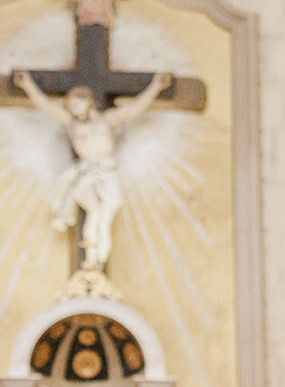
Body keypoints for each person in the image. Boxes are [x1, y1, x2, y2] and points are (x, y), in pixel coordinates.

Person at [12, 69, 172, 272]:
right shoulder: (73, 124)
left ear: (88, 101)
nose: (74, 110)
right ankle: (90, 260)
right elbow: (46, 106)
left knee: (106, 215)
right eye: (71, 107)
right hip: (86, 174)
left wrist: (156, 86)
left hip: (108, 174)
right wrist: (28, 85)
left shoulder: (107, 121)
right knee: (94, 212)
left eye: (77, 104)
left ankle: (98, 263)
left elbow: (135, 108)